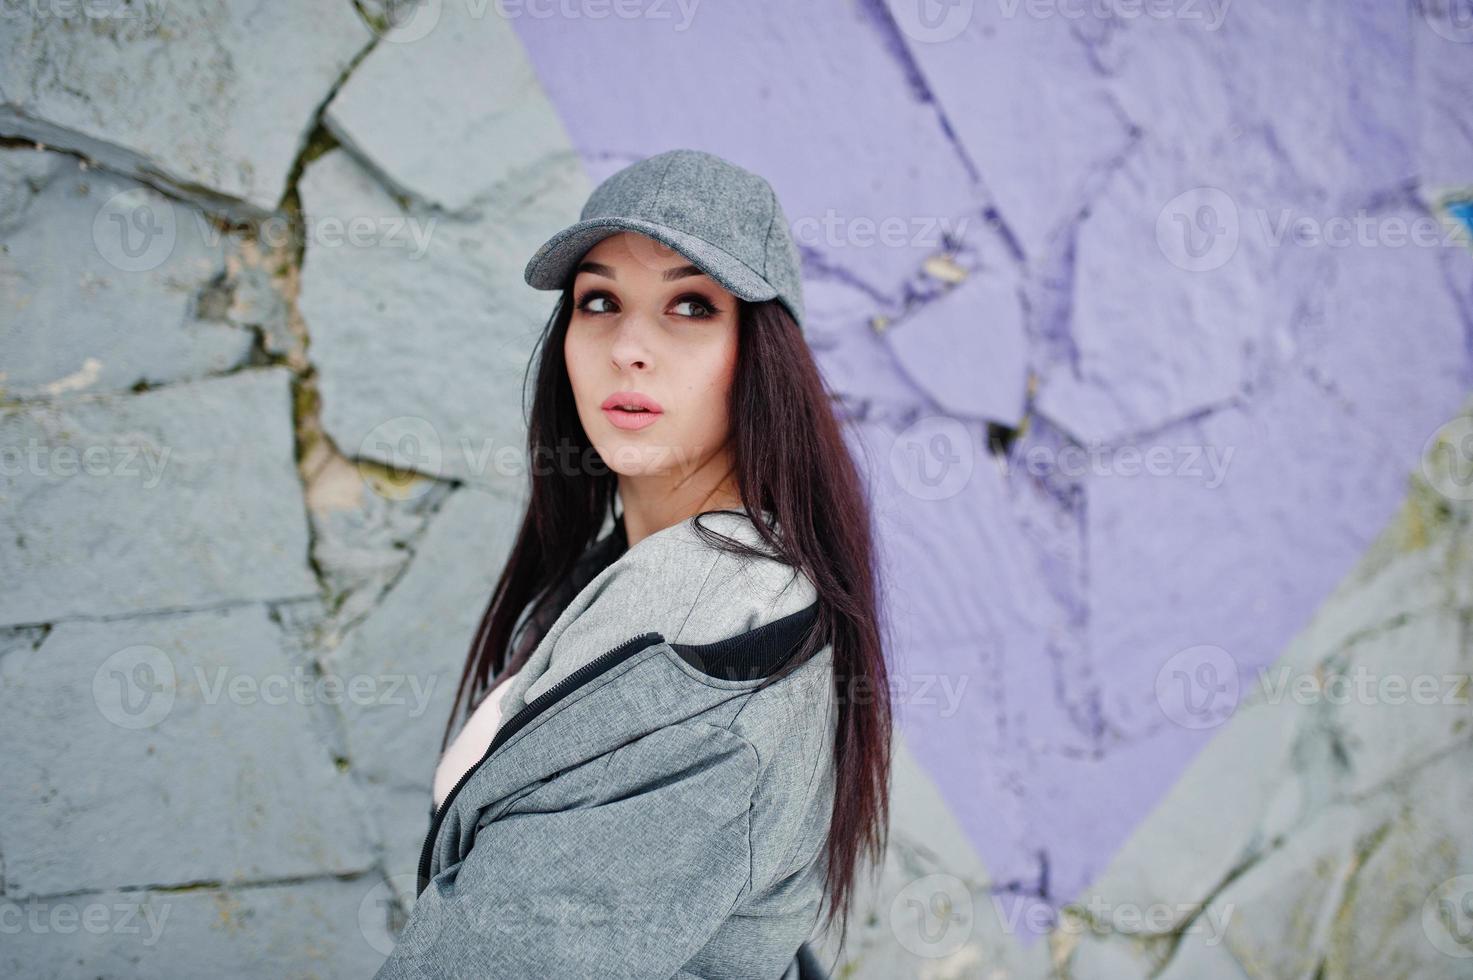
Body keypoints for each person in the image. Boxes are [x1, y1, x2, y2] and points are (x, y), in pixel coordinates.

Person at [373, 149, 892, 979]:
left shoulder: (706, 629)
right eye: (600, 300)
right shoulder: (633, 571)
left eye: (690, 305)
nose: (629, 347)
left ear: (761, 354)